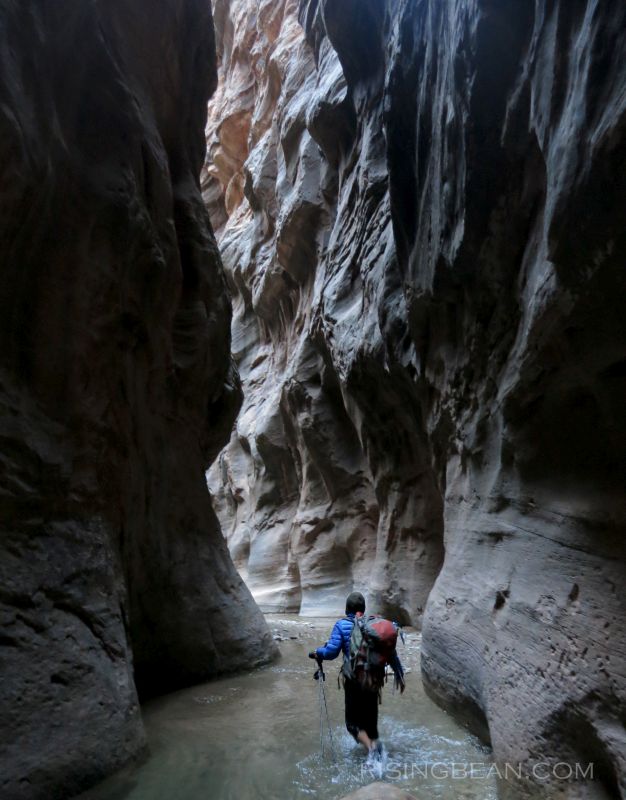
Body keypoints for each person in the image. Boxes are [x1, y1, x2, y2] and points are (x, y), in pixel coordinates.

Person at [309, 591, 405, 757]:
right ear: (364, 608)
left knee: (352, 725)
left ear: (347, 609)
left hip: (354, 680)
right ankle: (376, 753)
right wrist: (399, 674)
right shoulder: (373, 626)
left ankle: (370, 748)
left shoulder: (342, 625)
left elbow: (331, 652)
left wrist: (317, 652)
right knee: (370, 725)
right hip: (374, 679)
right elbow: (391, 654)